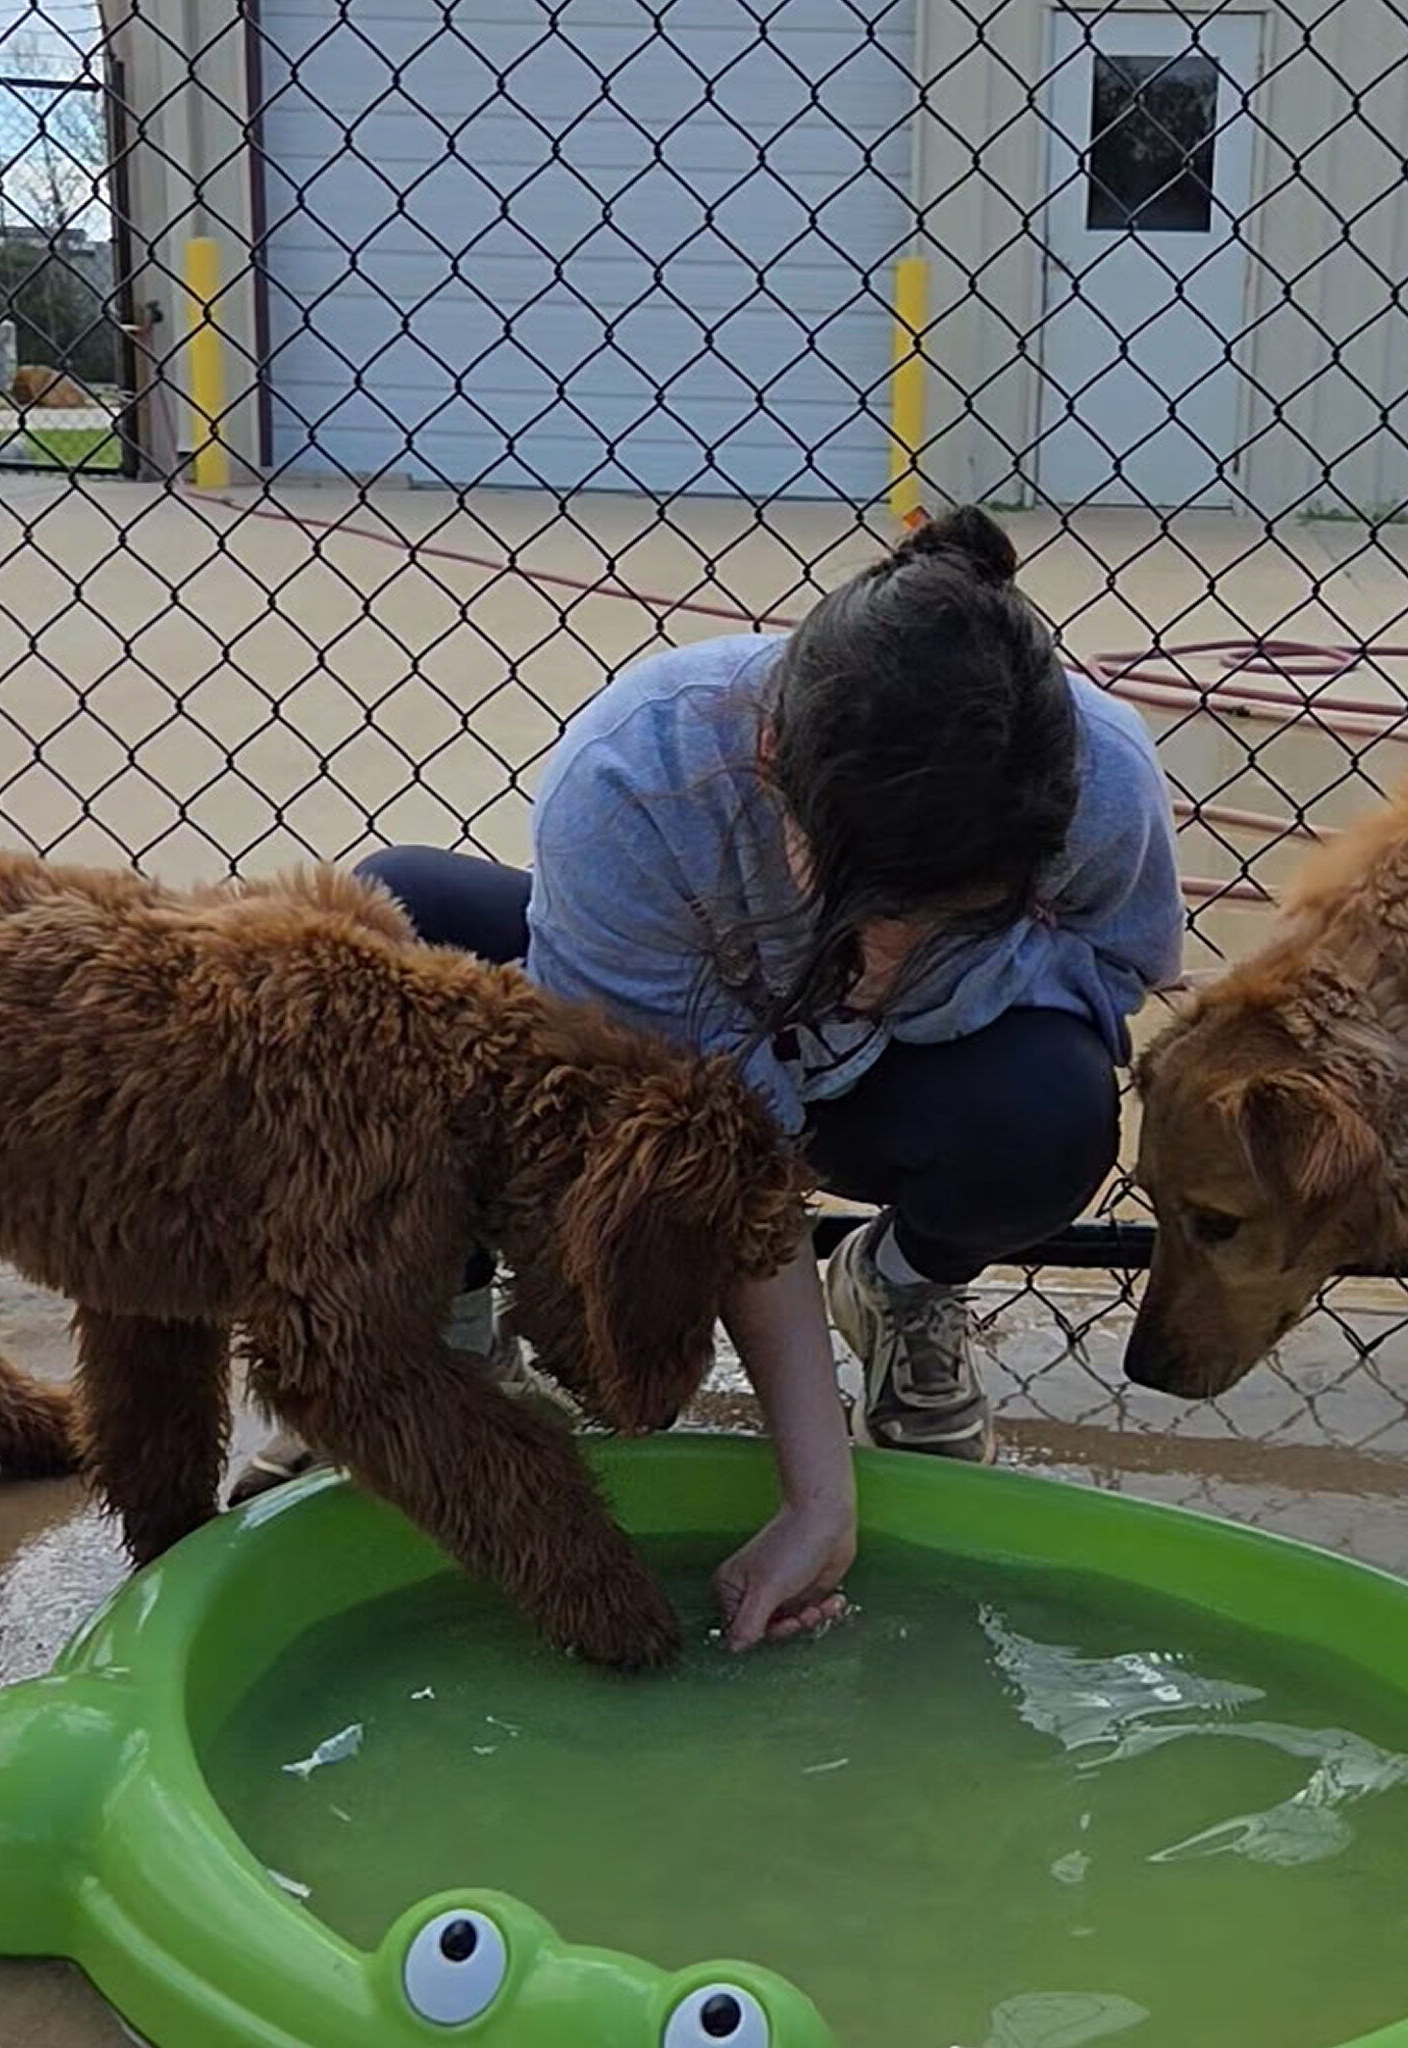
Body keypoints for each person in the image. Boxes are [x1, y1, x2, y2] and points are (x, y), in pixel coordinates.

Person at [230, 507, 1184, 1651]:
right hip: (695, 1070)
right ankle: (439, 1334)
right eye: (867, 905)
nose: (882, 956)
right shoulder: (637, 779)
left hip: (904, 1084)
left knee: (1050, 1112)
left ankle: (901, 1286)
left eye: (947, 913)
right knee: (398, 934)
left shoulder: (1101, 775)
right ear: (772, 762)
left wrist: (936, 987)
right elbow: (722, 1166)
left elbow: (1115, 970)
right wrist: (816, 1483)